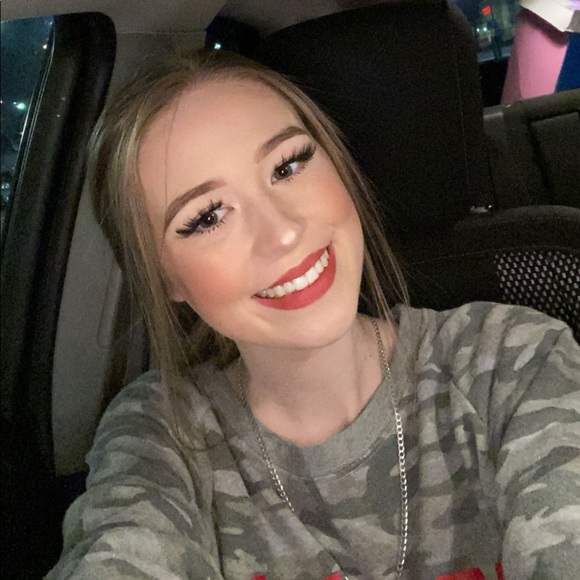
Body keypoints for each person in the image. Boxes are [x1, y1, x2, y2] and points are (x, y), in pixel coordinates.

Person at [46, 50, 580, 580]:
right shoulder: (162, 435)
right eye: (207, 217)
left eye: (287, 166)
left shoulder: (514, 361)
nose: (283, 232)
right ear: (165, 280)